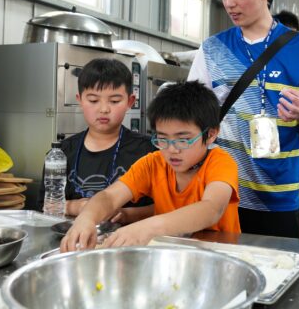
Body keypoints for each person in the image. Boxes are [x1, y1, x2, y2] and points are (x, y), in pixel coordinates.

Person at [188, 0, 299, 238]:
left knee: (278, 270)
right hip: (222, 190)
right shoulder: (213, 48)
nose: (229, 3)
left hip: (278, 195)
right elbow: (192, 116)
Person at [60, 81, 240, 251]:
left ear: (210, 134)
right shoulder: (153, 163)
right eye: (162, 139)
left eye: (183, 140)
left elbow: (212, 209)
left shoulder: (220, 163)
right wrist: (86, 219)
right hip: (169, 252)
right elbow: (109, 196)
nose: (171, 150)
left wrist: (148, 227)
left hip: (216, 253)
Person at [37, 59, 155, 220]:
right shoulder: (61, 153)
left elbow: (165, 206)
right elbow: (43, 204)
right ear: (79, 100)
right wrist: (75, 207)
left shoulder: (148, 150)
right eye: (93, 100)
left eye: (114, 101)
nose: (104, 109)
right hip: (70, 238)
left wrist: (126, 214)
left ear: (130, 102)